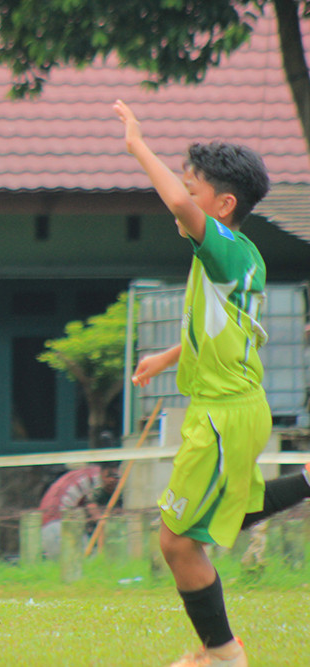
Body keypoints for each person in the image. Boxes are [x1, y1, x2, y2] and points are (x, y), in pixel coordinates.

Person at [114, 100, 310, 667]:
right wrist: (168, 356)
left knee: (177, 541)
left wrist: (136, 146)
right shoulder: (243, 258)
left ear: (223, 205)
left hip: (223, 415)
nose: (182, 195)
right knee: (225, 516)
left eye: (192, 186)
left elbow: (175, 202)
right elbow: (225, 331)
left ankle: (222, 652)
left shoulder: (221, 246)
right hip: (240, 408)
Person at [38, 462, 120, 559]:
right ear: (103, 473)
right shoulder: (94, 480)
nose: (113, 480)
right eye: (111, 476)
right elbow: (96, 514)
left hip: (47, 525)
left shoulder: (86, 475)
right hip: (58, 527)